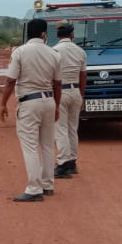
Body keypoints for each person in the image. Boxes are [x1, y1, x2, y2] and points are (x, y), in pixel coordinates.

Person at [0, 19, 62, 202]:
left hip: (29, 103)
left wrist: (3, 103)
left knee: (30, 147)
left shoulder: (20, 52)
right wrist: (57, 106)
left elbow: (11, 80)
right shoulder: (54, 54)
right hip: (49, 100)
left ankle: (34, 189)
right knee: (47, 145)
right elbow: (58, 84)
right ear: (44, 34)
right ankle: (48, 184)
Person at [52, 21, 87, 177]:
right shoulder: (80, 52)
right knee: (73, 129)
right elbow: (83, 75)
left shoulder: (54, 51)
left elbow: (52, 77)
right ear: (72, 34)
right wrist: (82, 94)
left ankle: (63, 164)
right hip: (76, 92)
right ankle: (72, 162)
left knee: (61, 130)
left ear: (58, 35)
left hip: (61, 92)